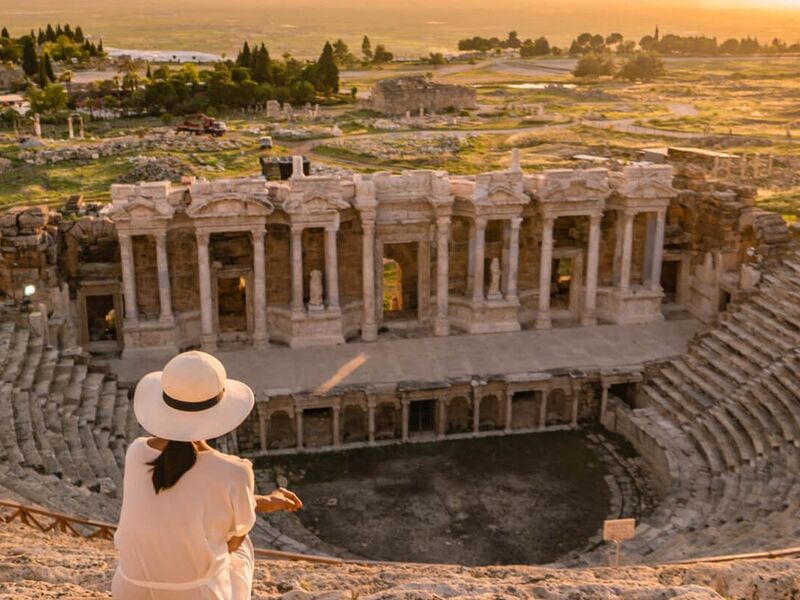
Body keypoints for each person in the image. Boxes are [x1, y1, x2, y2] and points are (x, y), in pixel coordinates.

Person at [112, 351, 303, 599]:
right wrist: (248, 503)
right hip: (195, 594)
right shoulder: (235, 470)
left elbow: (182, 498)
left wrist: (261, 500)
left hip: (129, 590)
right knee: (241, 546)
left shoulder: (136, 452)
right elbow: (232, 543)